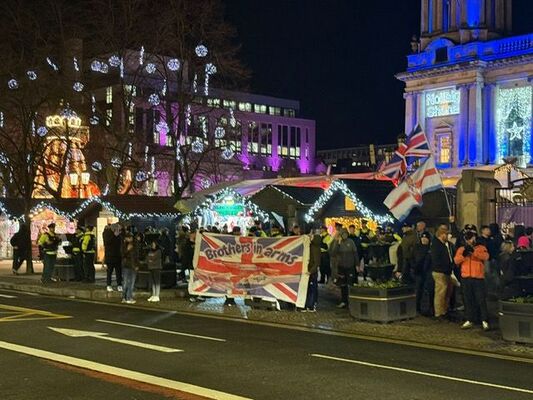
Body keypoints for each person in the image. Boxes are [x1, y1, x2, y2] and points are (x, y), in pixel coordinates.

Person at [454, 231, 490, 331]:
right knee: (467, 299)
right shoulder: (462, 249)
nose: (470, 240)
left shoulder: (481, 247)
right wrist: (464, 254)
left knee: (480, 299)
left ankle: (484, 320)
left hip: (478, 278)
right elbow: (456, 261)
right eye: (469, 238)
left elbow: (486, 257)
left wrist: (474, 252)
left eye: (472, 238)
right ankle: (469, 319)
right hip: (466, 278)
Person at [330, 228, 359, 309]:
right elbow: (333, 253)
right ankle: (344, 301)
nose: (345, 235)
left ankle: (351, 301)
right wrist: (337, 242)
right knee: (343, 285)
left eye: (346, 234)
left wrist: (357, 264)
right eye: (343, 234)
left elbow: (355, 253)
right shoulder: (338, 242)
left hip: (350, 266)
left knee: (350, 284)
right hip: (341, 267)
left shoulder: (351, 242)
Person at [430, 226, 455, 320]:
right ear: (442, 235)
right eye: (446, 234)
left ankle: (444, 310)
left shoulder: (443, 245)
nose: (448, 236)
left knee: (446, 293)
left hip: (446, 271)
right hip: (440, 272)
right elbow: (437, 260)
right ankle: (439, 313)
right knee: (440, 293)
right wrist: (445, 267)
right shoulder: (436, 246)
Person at [414, 231, 433, 315]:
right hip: (419, 272)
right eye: (423, 237)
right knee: (419, 291)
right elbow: (412, 258)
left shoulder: (431, 249)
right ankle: (417, 308)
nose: (424, 239)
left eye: (426, 238)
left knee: (429, 291)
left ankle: (429, 308)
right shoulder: (417, 247)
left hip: (428, 272)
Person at [303, 231, 321, 312]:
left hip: (312, 272)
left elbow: (317, 262)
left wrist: (311, 271)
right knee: (310, 289)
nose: (310, 237)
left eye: (311, 236)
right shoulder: (311, 246)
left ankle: (311, 306)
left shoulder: (315, 248)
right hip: (309, 271)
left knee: (312, 289)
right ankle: (309, 305)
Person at [104, 223, 123, 291]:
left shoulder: (119, 235)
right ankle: (109, 285)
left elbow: (120, 244)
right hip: (110, 256)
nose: (118, 230)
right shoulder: (107, 234)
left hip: (118, 256)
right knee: (109, 271)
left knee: (118, 272)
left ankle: (119, 284)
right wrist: (114, 236)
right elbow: (107, 243)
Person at [121, 232, 139, 304]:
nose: (130, 239)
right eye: (128, 237)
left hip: (133, 266)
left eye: (130, 237)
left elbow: (136, 256)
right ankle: (124, 297)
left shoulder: (135, 245)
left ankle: (129, 297)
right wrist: (127, 250)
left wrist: (137, 265)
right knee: (125, 282)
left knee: (131, 282)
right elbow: (122, 254)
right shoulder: (124, 245)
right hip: (126, 265)